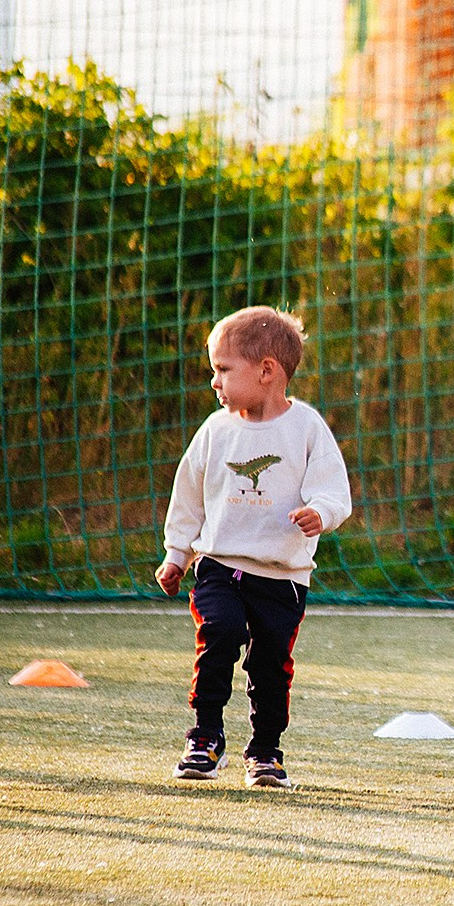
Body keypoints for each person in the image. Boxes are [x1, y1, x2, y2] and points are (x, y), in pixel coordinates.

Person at [155, 306, 351, 788]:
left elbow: (334, 492)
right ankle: (204, 737)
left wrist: (319, 513)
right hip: (220, 566)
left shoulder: (306, 428)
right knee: (218, 635)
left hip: (283, 579)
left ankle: (266, 751)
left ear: (267, 371)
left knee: (270, 666)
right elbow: (189, 495)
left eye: (223, 370)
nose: (214, 382)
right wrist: (177, 554)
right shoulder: (215, 430)